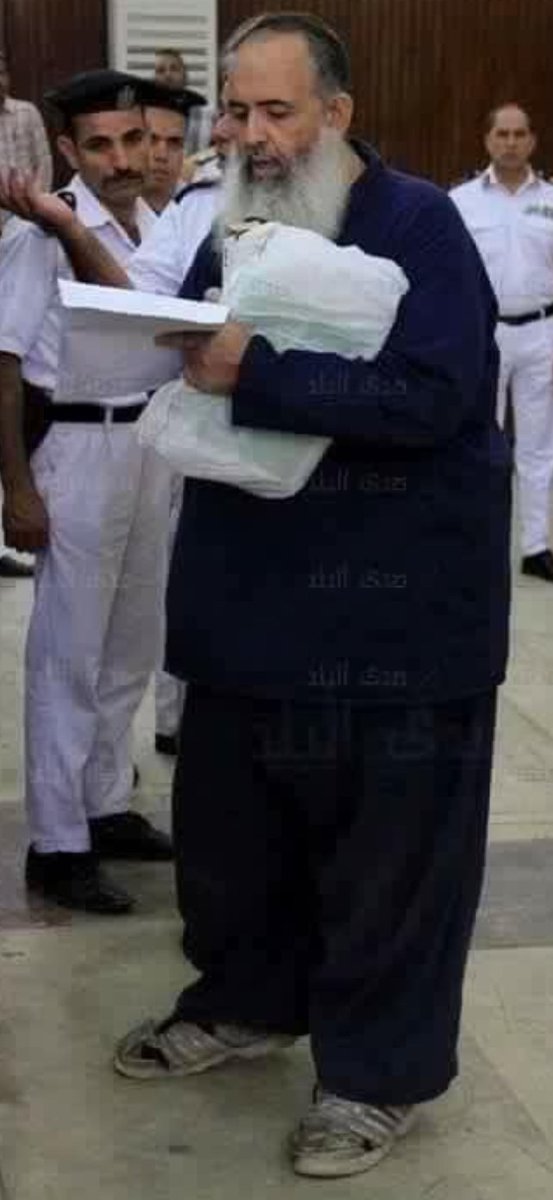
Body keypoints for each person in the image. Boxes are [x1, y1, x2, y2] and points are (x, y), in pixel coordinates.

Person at [0, 15, 511, 1177]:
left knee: (388, 861)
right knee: (237, 839)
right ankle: (244, 1002)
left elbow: (434, 396)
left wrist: (257, 369)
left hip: (394, 613)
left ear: (337, 114)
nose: (249, 133)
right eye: (235, 110)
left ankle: (373, 1075)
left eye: (276, 111)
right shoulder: (233, 226)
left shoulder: (417, 225)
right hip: (248, 601)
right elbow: (191, 345)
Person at [0, 69, 176, 915]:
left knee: (132, 642)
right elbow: (3, 364)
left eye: (132, 139)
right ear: (68, 150)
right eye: (99, 145)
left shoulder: (158, 226)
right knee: (68, 654)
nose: (121, 158)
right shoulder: (39, 233)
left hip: (149, 443)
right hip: (75, 447)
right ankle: (58, 841)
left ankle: (105, 804)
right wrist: (17, 487)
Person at [451, 105, 553, 582]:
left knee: (538, 445)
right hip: (482, 333)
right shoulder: (461, 202)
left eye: (519, 134)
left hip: (542, 332)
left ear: (532, 141)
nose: (510, 142)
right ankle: (478, 541)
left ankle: (536, 547)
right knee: (479, 442)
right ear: (488, 140)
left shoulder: (551, 200)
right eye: (502, 134)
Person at [0, 51, 53, 233]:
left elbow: (44, 164)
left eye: (2, 73)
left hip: (30, 217)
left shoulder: (27, 112)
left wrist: (38, 208)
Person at [153, 47, 213, 163]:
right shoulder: (148, 108)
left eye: (174, 69)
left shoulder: (201, 106)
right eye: (161, 71)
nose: (168, 75)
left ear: (185, 74)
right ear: (154, 78)